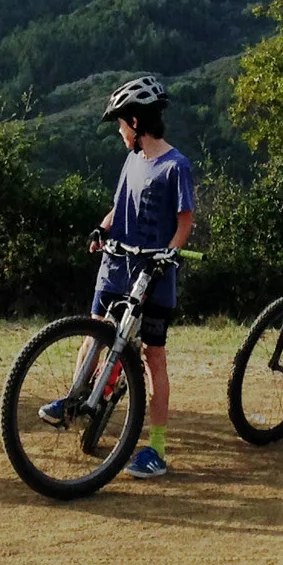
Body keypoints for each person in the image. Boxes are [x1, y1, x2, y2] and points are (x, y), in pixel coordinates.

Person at [81, 74, 195, 478]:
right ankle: (77, 397)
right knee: (95, 332)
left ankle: (156, 448)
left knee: (153, 357)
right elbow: (119, 207)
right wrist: (102, 228)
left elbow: (185, 222)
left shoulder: (176, 166)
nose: (119, 131)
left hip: (154, 276)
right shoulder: (132, 159)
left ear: (135, 121)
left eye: (120, 124)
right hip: (116, 267)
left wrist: (169, 255)